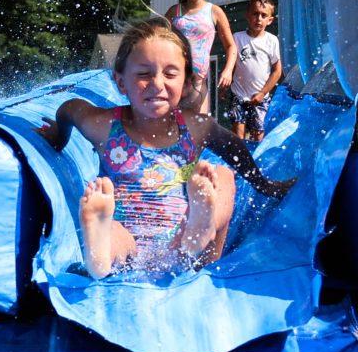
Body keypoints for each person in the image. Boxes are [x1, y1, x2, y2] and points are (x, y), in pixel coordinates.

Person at [40, 17, 290, 278]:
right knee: (113, 231)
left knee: (223, 176)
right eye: (143, 74)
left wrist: (264, 185)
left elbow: (233, 147)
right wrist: (57, 137)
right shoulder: (106, 125)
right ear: (121, 82)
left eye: (170, 74)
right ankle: (100, 255)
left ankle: (201, 227)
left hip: (185, 242)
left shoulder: (196, 127)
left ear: (186, 83)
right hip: (129, 246)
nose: (157, 84)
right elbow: (69, 109)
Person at [165, 0, 234, 114]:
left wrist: (228, 70)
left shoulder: (214, 12)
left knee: (197, 124)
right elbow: (159, 42)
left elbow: (231, 46)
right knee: (173, 123)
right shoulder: (174, 12)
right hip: (175, 79)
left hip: (198, 81)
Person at [228, 0, 283, 138]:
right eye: (255, 14)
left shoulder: (271, 41)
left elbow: (277, 71)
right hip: (238, 94)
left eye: (263, 15)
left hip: (260, 96)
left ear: (270, 20)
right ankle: (239, 153)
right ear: (247, 15)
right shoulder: (237, 38)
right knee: (237, 134)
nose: (259, 18)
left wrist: (263, 93)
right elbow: (232, 64)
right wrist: (224, 85)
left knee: (258, 135)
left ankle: (255, 153)